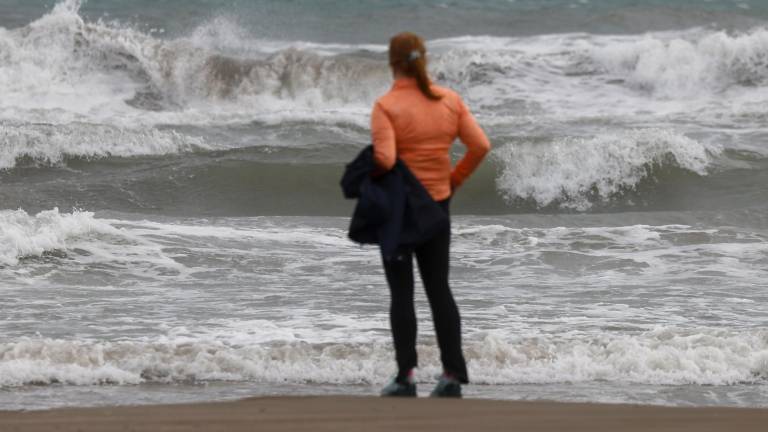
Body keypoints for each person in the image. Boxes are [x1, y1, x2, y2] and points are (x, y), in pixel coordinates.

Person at [371, 32, 491, 398]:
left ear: (392, 63)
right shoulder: (449, 101)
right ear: (424, 59)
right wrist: (452, 182)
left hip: (398, 211)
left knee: (402, 294)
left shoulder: (386, 106)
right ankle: (452, 375)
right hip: (437, 204)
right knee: (439, 290)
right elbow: (480, 145)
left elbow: (387, 161)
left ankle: (406, 376)